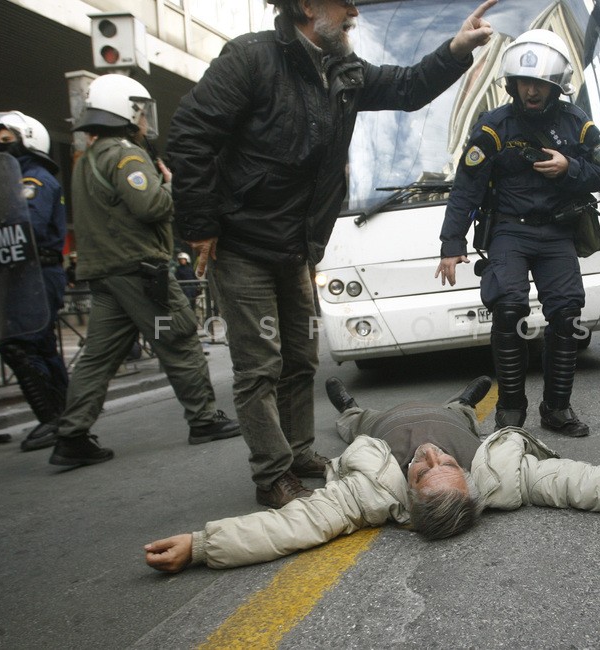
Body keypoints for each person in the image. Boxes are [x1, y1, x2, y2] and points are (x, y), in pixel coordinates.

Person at [166, 0, 496, 510]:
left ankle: (298, 454)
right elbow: (190, 135)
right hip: (243, 242)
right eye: (344, 3)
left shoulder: (343, 68)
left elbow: (407, 87)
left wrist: (456, 48)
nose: (353, 11)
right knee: (259, 366)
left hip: (297, 245)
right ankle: (272, 474)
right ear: (306, 5)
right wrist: (200, 224)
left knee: (300, 357)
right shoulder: (250, 59)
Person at [144, 376, 600, 573]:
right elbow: (575, 478)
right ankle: (467, 399)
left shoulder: (369, 493)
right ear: (469, 481)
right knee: (458, 414)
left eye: (428, 468)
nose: (432, 456)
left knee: (350, 420)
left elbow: (293, 526)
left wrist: (199, 545)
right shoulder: (497, 475)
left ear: (408, 497)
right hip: (452, 416)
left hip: (380, 419)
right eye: (447, 465)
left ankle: (346, 401)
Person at [46, 74, 240, 469]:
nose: (144, 119)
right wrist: (173, 185)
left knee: (97, 357)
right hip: (140, 272)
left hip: (106, 274)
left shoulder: (87, 159)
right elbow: (151, 206)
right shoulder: (126, 155)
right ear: (125, 111)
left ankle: (71, 435)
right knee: (180, 338)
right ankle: (204, 419)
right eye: (139, 110)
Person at [436, 30, 600, 437]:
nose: (532, 91)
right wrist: (451, 244)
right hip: (509, 232)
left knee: (566, 314)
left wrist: (571, 168)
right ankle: (511, 408)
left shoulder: (577, 123)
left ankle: (557, 408)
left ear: (555, 87)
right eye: (524, 83)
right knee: (509, 309)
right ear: (512, 84)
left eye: (540, 84)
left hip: (557, 231)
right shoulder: (493, 126)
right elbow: (467, 186)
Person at [0, 111, 71, 451]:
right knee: (40, 346)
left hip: (37, 272)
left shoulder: (34, 180)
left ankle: (54, 419)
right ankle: (65, 417)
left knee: (20, 344)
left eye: (6, 138)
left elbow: (31, 227)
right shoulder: (13, 181)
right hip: (23, 273)